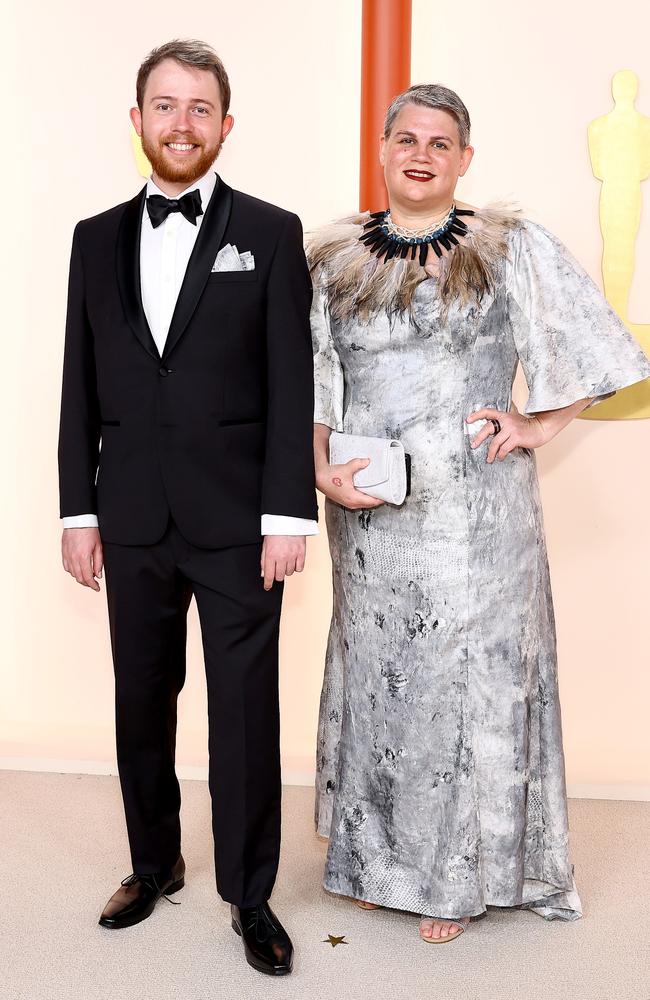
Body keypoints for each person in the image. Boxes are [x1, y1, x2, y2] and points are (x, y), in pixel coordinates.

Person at [308, 84, 650, 944]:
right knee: (383, 684)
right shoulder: (331, 256)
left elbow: (598, 345)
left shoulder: (510, 246)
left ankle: (455, 877)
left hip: (480, 516)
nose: (422, 154)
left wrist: (536, 424)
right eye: (407, 139)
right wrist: (321, 470)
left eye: (442, 141)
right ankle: (376, 863)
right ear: (384, 151)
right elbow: (313, 375)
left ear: (464, 159)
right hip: (371, 512)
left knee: (467, 688)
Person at [58, 39, 318, 977]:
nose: (181, 124)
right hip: (128, 516)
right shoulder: (93, 236)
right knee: (141, 702)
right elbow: (76, 388)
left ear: (225, 125)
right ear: (138, 122)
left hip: (243, 521)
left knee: (244, 710)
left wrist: (289, 516)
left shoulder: (273, 231)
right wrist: (74, 512)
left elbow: (295, 384)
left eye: (199, 108)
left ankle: (250, 896)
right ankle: (152, 862)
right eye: (163, 106)